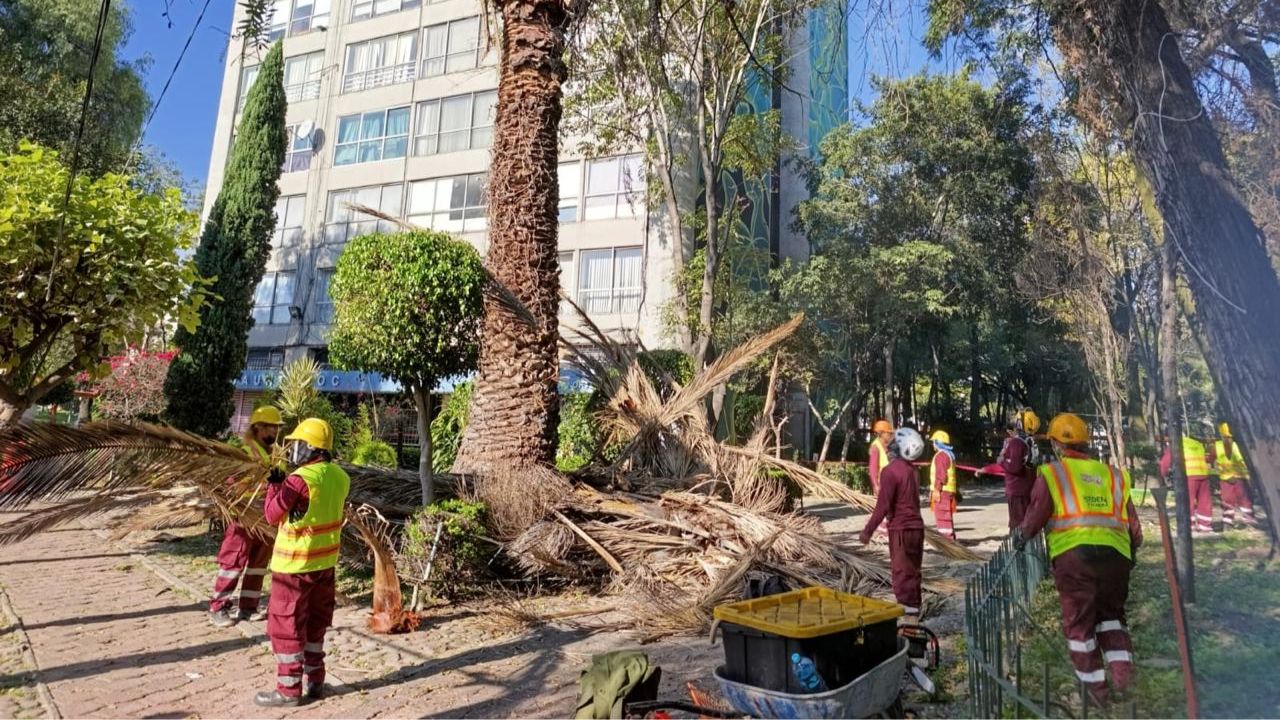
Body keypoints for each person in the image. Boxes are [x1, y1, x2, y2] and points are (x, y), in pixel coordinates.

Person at [1013, 413, 1142, 705]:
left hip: (1074, 559)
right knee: (1112, 618)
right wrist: (1130, 555)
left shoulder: (1053, 473)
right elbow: (1134, 527)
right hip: (1116, 558)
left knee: (1079, 625)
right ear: (1086, 443)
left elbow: (1035, 516)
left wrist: (1022, 537)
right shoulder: (1113, 475)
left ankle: (1094, 693)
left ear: (1057, 445)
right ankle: (1123, 679)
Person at [255, 418, 350, 707]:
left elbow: (272, 515)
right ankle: (316, 681)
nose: (293, 450)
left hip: (294, 568)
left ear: (310, 448)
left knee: (287, 627)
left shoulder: (299, 480)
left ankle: (288, 690)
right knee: (315, 625)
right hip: (325, 565)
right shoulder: (340, 476)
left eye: (297, 444)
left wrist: (274, 484)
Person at [208, 406, 283, 628]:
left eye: (277, 427)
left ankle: (248, 607)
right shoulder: (244, 452)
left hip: (266, 518)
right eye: (271, 427)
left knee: (258, 565)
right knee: (232, 562)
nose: (275, 431)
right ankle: (218, 607)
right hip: (243, 518)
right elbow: (229, 486)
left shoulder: (275, 453)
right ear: (258, 427)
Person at [859, 427, 926, 618]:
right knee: (913, 573)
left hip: (901, 531)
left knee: (902, 575)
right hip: (917, 529)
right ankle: (914, 614)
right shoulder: (913, 471)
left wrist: (867, 531)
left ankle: (908, 624)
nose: (887, 448)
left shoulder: (889, 472)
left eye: (891, 445)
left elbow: (883, 506)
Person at [1158, 431, 1214, 535]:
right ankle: (1205, 526)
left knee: (1188, 501)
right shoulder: (1196, 443)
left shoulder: (1176, 443)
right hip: (1203, 474)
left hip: (1189, 475)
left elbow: (1165, 461)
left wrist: (1161, 474)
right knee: (1204, 501)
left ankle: (1189, 525)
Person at [998, 408, 1040, 528]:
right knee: (1026, 520)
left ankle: (1019, 545)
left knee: (1017, 523)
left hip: (1017, 490)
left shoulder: (1016, 443)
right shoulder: (1030, 441)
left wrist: (1002, 461)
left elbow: (1015, 467)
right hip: (1028, 488)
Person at [1211, 422, 1256, 529]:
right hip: (1241, 477)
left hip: (1226, 478)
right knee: (1245, 501)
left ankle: (1227, 523)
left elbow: (1210, 459)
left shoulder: (1216, 446)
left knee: (1227, 501)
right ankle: (1249, 522)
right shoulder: (1240, 445)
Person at [928, 430, 958, 540]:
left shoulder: (941, 456)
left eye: (934, 442)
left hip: (942, 492)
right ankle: (951, 539)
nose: (933, 445)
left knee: (942, 516)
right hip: (948, 491)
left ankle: (947, 541)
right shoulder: (949, 455)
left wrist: (936, 489)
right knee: (946, 516)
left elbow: (941, 475)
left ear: (938, 442)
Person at [868, 420, 893, 495]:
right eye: (888, 433)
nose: (890, 435)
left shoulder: (887, 446)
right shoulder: (875, 447)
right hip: (882, 485)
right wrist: (876, 485)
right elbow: (873, 469)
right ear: (881, 433)